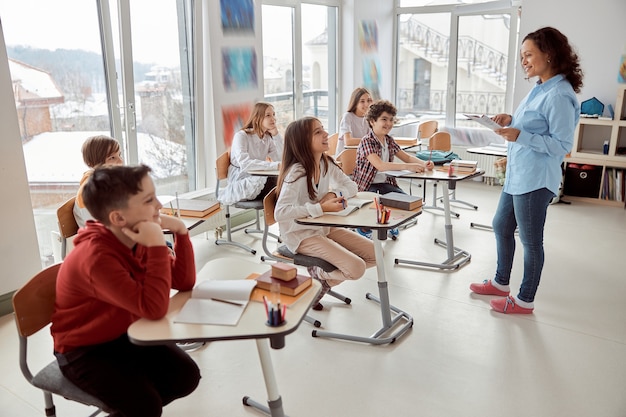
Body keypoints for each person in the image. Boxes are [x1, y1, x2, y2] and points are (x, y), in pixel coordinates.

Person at [51, 164, 201, 416]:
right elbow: (154, 310)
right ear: (118, 218)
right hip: (83, 350)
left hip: (124, 331)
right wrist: (156, 245)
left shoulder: (134, 235)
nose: (160, 206)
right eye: (149, 200)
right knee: (145, 406)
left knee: (186, 377)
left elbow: (184, 282)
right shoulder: (96, 258)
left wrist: (180, 231)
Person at [469, 26, 583, 314]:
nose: (524, 61)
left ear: (549, 54)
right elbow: (532, 123)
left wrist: (520, 135)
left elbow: (562, 145)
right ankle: (500, 281)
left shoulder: (560, 95)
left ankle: (524, 299)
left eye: (528, 55)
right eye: (522, 56)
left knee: (531, 241)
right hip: (518, 175)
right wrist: (512, 119)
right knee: (501, 225)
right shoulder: (540, 87)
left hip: (535, 180)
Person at [274, 117, 377, 310]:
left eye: (323, 129)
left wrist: (333, 193)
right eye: (318, 132)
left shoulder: (325, 162)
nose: (326, 134)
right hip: (300, 235)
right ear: (303, 141)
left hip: (323, 227)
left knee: (376, 254)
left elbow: (352, 186)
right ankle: (320, 276)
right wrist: (321, 208)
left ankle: (321, 283)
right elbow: (281, 212)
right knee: (356, 268)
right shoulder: (297, 173)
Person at [352, 99, 434, 239]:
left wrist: (423, 164)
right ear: (372, 121)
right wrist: (409, 167)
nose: (389, 123)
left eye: (391, 119)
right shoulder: (367, 141)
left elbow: (407, 158)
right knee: (375, 204)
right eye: (384, 119)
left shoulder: (388, 140)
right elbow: (381, 166)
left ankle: (388, 225)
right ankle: (364, 228)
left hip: (385, 185)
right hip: (366, 186)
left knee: (408, 201)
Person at [218, 102, 283, 206]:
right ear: (257, 118)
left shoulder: (267, 138)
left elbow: (280, 158)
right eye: (268, 115)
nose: (273, 119)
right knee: (279, 183)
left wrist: (276, 135)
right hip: (242, 179)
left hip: (258, 177)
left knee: (286, 180)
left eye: (274, 114)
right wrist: (276, 165)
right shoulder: (241, 136)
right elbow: (245, 164)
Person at [73, 135, 124, 228]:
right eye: (112, 158)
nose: (120, 161)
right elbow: (99, 227)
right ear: (93, 163)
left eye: (119, 155)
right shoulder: (89, 191)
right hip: (101, 238)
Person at [336, 87, 373, 155]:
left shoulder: (367, 119)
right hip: (345, 157)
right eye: (362, 101)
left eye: (368, 100)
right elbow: (348, 141)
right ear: (355, 103)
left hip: (360, 155)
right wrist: (370, 140)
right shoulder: (347, 117)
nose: (367, 104)